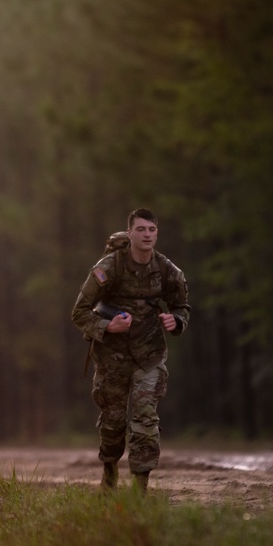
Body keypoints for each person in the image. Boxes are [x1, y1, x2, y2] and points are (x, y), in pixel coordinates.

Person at [71, 208, 191, 493]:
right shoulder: (109, 268)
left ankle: (141, 488)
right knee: (113, 423)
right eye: (141, 229)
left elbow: (182, 307)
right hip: (112, 358)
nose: (147, 235)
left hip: (149, 356)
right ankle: (110, 470)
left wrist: (176, 321)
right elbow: (79, 313)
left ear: (157, 233)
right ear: (130, 233)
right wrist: (107, 326)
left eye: (151, 230)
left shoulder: (167, 270)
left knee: (145, 419)